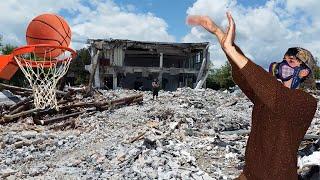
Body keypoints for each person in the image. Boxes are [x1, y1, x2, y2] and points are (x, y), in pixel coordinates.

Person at [186, 12, 317, 180]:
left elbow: (277, 96)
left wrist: (231, 49)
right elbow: (246, 76)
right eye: (283, 60)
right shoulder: (266, 94)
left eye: (291, 61)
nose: (284, 64)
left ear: (304, 71)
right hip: (249, 175)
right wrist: (219, 34)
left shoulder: (306, 103)